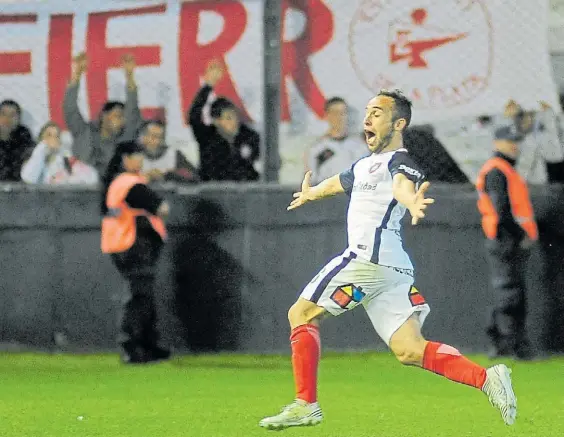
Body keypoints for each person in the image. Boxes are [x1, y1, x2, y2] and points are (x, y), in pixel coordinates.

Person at [259, 90, 517, 430]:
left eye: (377, 113)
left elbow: (401, 185)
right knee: (410, 350)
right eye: (367, 112)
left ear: (399, 123)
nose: (367, 119)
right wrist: (312, 192)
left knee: (301, 313)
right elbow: (341, 182)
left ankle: (305, 404)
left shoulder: (401, 160)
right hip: (390, 271)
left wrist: (410, 201)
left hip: (366, 261)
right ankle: (488, 379)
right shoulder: (365, 165)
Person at [101, 141, 171, 364]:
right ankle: (132, 346)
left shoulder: (115, 182)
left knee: (143, 295)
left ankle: (148, 345)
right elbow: (160, 207)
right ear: (125, 159)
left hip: (120, 244)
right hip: (133, 244)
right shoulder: (130, 183)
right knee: (139, 296)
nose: (141, 160)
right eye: (137, 156)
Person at [476, 124, 537, 360]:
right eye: (509, 141)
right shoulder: (497, 170)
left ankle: (500, 341)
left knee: (507, 291)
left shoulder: (503, 169)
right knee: (511, 293)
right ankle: (513, 344)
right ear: (496, 143)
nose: (515, 146)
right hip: (505, 239)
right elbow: (502, 210)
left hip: (504, 238)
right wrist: (520, 233)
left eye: (516, 141)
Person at [64, 53, 143, 175]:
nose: (122, 121)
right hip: (81, 189)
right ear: (104, 115)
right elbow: (70, 109)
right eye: (117, 116)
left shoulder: (125, 138)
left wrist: (130, 77)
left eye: (123, 118)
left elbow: (132, 110)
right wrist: (76, 75)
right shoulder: (83, 131)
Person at [188, 60, 260, 182]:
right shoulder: (207, 137)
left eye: (235, 116)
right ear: (216, 121)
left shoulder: (249, 136)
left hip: (244, 194)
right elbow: (194, 115)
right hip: (213, 194)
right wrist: (208, 86)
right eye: (228, 118)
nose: (234, 122)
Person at [304, 97, 367, 184]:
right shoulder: (316, 149)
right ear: (327, 116)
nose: (339, 117)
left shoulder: (360, 146)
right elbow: (311, 182)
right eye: (335, 113)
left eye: (343, 113)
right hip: (329, 196)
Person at [21, 121, 98, 185]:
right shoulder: (32, 159)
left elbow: (92, 177)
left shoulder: (67, 161)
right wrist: (43, 147)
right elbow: (29, 179)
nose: (53, 139)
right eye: (49, 135)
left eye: (57, 136)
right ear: (41, 139)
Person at [0, 99, 34, 181]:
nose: (7, 119)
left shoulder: (23, 135)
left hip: (18, 188)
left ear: (19, 119)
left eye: (12, 115)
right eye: (3, 114)